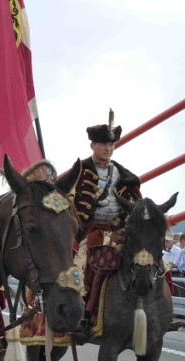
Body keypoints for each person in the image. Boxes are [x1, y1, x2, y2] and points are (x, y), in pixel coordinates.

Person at [72, 110, 142, 325]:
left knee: (152, 262)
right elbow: (65, 201)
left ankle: (157, 312)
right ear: (92, 145)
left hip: (120, 231)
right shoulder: (80, 170)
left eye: (111, 145)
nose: (108, 148)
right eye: (103, 144)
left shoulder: (124, 174)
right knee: (79, 266)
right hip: (90, 231)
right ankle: (80, 314)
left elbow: (137, 205)